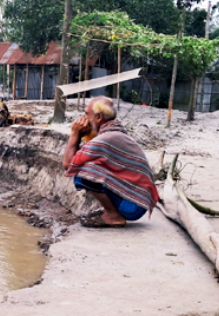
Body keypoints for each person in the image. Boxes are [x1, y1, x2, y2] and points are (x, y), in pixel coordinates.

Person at [63, 96, 159, 227]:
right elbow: (79, 154)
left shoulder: (105, 138)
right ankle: (112, 211)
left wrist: (75, 134)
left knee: (83, 171)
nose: (83, 117)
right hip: (137, 201)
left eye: (86, 113)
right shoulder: (115, 132)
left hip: (132, 206)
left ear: (98, 117)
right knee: (89, 166)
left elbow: (69, 165)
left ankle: (114, 216)